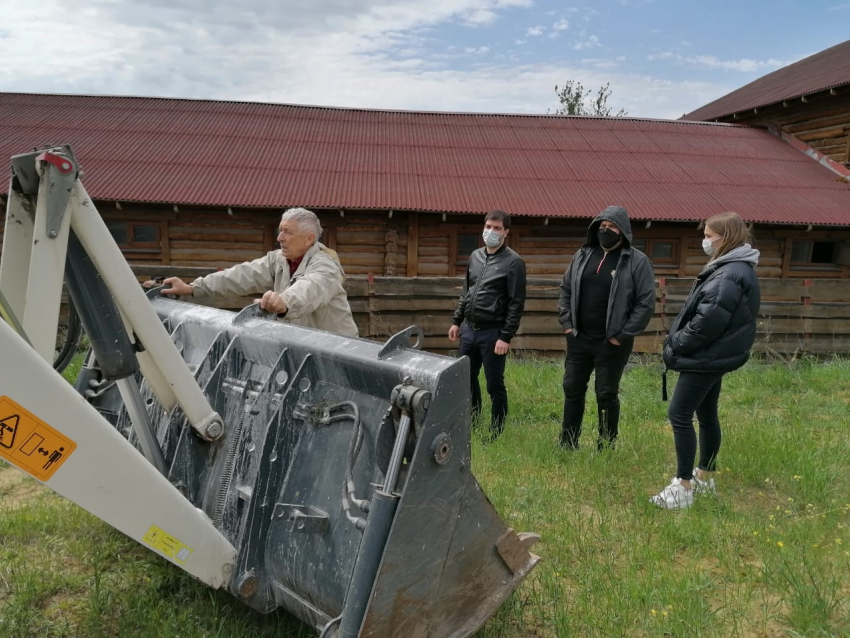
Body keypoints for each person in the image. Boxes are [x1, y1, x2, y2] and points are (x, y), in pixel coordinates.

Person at [651, 211, 760, 509]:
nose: (705, 241)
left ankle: (683, 485)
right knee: (707, 413)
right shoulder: (735, 268)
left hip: (705, 357)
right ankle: (705, 477)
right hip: (717, 356)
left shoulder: (728, 273)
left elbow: (708, 321)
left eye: (709, 236)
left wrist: (676, 343)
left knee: (680, 414)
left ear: (726, 238)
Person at [157, 207, 359, 338]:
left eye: (287, 232)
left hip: (340, 351)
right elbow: (241, 276)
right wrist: (193, 287)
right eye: (280, 230)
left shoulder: (326, 265)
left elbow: (312, 287)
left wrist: (284, 302)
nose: (280, 237)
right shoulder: (279, 259)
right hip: (306, 345)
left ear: (309, 239)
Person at [557, 205, 655, 450]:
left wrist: (621, 335)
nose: (606, 230)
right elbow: (566, 289)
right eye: (602, 226)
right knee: (572, 389)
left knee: (606, 394)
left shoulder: (637, 261)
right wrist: (568, 325)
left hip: (612, 342)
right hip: (579, 338)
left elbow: (645, 303)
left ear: (623, 232)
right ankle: (568, 443)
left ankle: (606, 445)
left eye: (612, 227)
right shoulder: (583, 255)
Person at [448, 209, 527, 440]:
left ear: (506, 232)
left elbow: (516, 303)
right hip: (469, 331)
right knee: (467, 381)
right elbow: (466, 291)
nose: (491, 231)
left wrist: (506, 336)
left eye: (497, 228)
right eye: (488, 226)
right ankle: (472, 421)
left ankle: (497, 431)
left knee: (494, 385)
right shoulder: (475, 257)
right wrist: (456, 321)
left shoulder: (514, 262)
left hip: (493, 334)